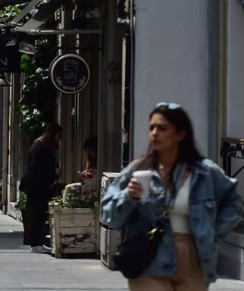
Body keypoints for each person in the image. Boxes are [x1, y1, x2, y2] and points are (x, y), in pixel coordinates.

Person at [102, 103, 242, 290]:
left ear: (181, 134)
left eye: (162, 128)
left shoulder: (204, 172)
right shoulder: (139, 169)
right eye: (151, 127)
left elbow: (233, 202)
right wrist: (129, 196)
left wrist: (214, 230)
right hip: (151, 257)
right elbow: (108, 214)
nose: (154, 133)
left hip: (195, 255)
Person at [20, 122, 63, 253]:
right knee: (36, 213)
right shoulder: (41, 145)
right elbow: (37, 167)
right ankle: (36, 243)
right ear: (53, 134)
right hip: (36, 186)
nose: (59, 139)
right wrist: (54, 175)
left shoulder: (41, 144)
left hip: (37, 185)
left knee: (39, 213)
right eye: (59, 136)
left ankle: (38, 242)